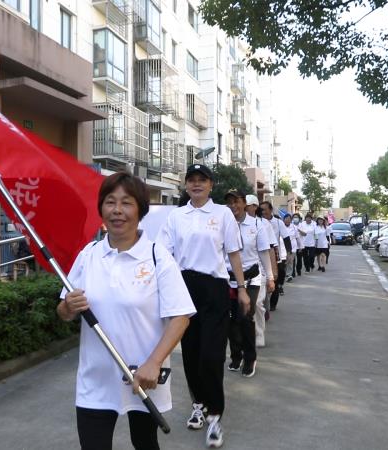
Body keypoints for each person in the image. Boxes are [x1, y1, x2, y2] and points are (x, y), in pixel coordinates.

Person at [58, 172, 197, 450]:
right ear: (101, 209)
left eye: (126, 203)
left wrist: (154, 362)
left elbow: (181, 317)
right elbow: (63, 311)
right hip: (95, 379)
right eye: (110, 202)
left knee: (144, 442)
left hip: (142, 375)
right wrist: (68, 306)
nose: (117, 210)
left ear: (140, 210)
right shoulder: (88, 255)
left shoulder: (157, 256)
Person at [157, 164, 249, 449]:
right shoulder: (176, 216)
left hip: (214, 289)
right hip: (184, 288)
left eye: (202, 180)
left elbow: (233, 254)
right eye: (192, 180)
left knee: (212, 355)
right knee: (192, 354)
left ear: (211, 185)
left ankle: (215, 416)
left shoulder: (222, 214)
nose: (197, 184)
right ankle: (198, 404)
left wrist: (242, 288)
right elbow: (163, 255)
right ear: (186, 185)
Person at [223, 190, 273, 377]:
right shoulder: (224, 224)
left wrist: (270, 276)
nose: (233, 206)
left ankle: (250, 358)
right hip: (228, 279)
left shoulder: (257, 225)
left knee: (245, 317)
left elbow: (263, 252)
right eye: (229, 202)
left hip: (251, 278)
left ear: (244, 203)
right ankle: (236, 355)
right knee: (231, 320)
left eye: (236, 201)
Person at [245, 195, 277, 346]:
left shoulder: (263, 224)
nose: (245, 208)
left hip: (259, 271)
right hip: (239, 271)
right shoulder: (233, 222)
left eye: (248, 205)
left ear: (254, 207)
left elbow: (269, 249)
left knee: (257, 303)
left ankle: (259, 333)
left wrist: (272, 274)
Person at [260, 201, 287, 312]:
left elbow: (286, 238)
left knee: (274, 280)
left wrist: (289, 253)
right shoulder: (258, 222)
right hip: (262, 256)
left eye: (264, 209)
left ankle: (272, 304)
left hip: (275, 255)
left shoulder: (278, 222)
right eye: (261, 209)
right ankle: (264, 304)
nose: (262, 212)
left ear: (270, 210)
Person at [291, 213, 304, 277]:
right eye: (294, 217)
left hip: (300, 245)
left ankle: (298, 270)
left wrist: (298, 230)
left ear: (299, 218)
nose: (295, 218)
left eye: (296, 217)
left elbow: (305, 234)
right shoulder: (291, 225)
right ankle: (293, 272)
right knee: (293, 259)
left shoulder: (301, 225)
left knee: (299, 259)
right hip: (293, 245)